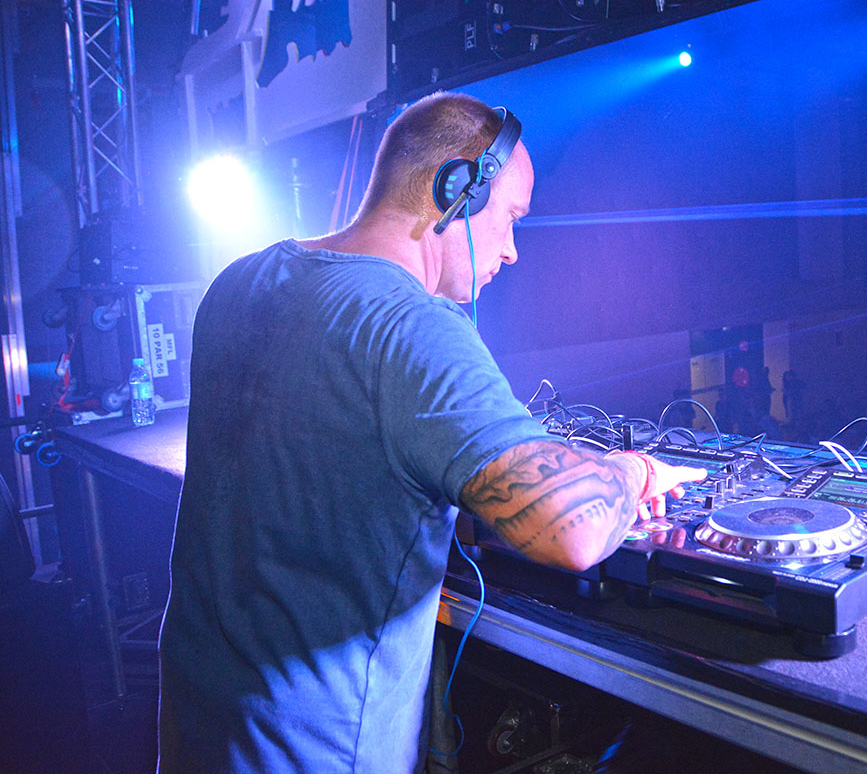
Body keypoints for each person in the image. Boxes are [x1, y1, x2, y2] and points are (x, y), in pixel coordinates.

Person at [157, 93, 706, 774]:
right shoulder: (409, 326)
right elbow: (573, 530)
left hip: (197, 733)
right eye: (511, 217)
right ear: (457, 190)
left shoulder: (239, 282)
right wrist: (633, 471)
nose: (512, 250)